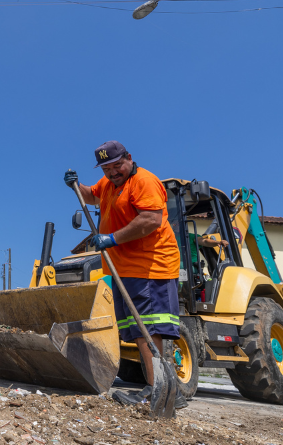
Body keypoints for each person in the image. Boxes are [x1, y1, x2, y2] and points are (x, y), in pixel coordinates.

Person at [64, 140, 187, 408]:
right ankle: (162, 391)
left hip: (149, 266)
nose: (112, 172)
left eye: (117, 165)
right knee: (136, 331)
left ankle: (161, 393)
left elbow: (151, 220)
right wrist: (76, 186)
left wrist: (112, 239)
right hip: (125, 269)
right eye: (106, 168)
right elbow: (90, 196)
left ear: (129, 158)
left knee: (147, 329)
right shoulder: (108, 185)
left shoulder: (144, 181)